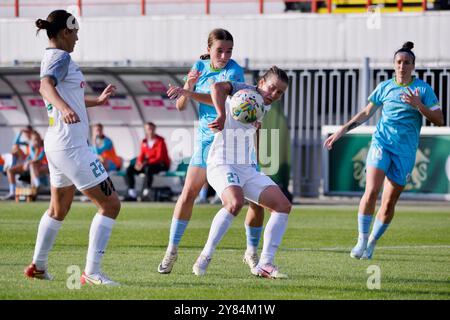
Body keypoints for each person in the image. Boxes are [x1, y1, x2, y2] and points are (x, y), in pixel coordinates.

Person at [24, 10, 121, 286]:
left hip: (57, 144)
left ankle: (38, 267)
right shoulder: (61, 57)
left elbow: (69, 96)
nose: (77, 38)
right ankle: (92, 273)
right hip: (72, 146)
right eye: (75, 32)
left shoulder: (52, 57)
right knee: (111, 204)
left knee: (59, 209)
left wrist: (96, 102)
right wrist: (64, 107)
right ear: (65, 32)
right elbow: (45, 87)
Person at [158, 28, 266, 274]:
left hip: (235, 141)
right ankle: (171, 250)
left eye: (229, 51)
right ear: (208, 50)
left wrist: (190, 92)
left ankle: (251, 252)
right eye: (220, 50)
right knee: (188, 193)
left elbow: (218, 98)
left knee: (255, 203)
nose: (225, 55)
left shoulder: (234, 71)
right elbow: (180, 105)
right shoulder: (199, 65)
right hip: (208, 140)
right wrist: (188, 84)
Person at [324, 42, 444, 260]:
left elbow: (439, 119)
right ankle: (361, 239)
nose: (402, 66)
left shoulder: (423, 90)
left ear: (413, 66)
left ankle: (372, 242)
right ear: (393, 65)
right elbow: (366, 112)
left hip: (405, 153)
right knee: (371, 191)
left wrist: (419, 105)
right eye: (399, 62)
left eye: (407, 62)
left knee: (388, 203)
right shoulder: (385, 87)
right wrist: (342, 129)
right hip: (381, 144)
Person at [192, 66, 291, 279]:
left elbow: (256, 126)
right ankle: (206, 254)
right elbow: (216, 86)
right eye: (272, 88)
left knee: (283, 206)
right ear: (261, 82)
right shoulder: (244, 90)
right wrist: (220, 115)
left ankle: (265, 263)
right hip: (221, 162)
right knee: (234, 203)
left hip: (246, 167)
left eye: (280, 92)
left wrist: (257, 153)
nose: (274, 95)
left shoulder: (263, 105)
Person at [124, 122, 170, 201]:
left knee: (148, 168)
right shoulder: (144, 141)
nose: (150, 131)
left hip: (161, 164)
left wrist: (145, 163)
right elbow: (141, 155)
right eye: (148, 129)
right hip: (147, 165)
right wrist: (138, 163)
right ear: (146, 130)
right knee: (130, 169)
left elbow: (159, 157)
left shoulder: (160, 141)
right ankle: (132, 193)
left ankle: (146, 191)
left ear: (154, 129)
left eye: (152, 129)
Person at [1, 130, 48, 200]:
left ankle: (37, 185)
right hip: (29, 166)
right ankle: (12, 192)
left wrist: (28, 162)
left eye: (38, 139)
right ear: (31, 140)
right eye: (34, 140)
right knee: (10, 170)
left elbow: (39, 159)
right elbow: (15, 143)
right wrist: (20, 132)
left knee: (32, 165)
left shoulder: (43, 147)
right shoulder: (30, 145)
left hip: (39, 166)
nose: (36, 142)